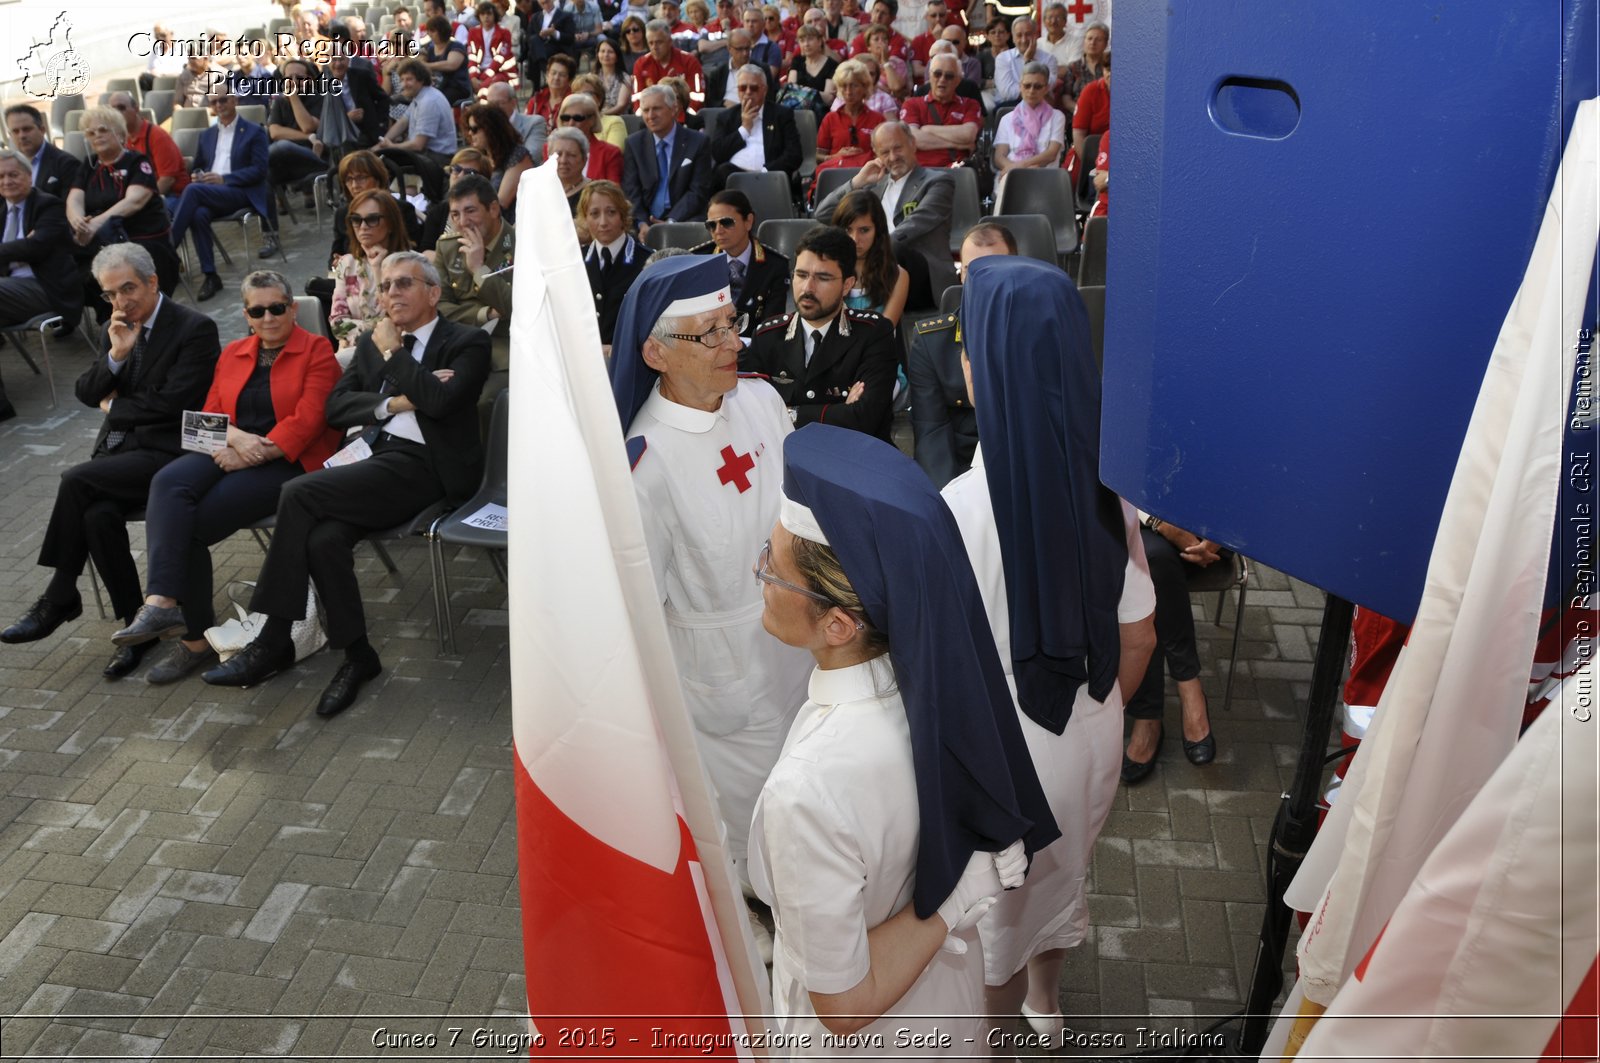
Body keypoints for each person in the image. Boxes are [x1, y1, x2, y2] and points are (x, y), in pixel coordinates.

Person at [751, 422, 1052, 1047]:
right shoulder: (936, 682)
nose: (758, 574)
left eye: (771, 568)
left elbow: (844, 1003)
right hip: (947, 1005)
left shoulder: (805, 791)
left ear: (837, 624)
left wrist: (959, 895)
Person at [941, 255, 1156, 1050]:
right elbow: (1140, 633)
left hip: (1005, 750)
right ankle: (1048, 1007)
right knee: (1063, 883)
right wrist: (1098, 707)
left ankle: (989, 1035)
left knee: (996, 912)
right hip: (1091, 726)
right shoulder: (1108, 484)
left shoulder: (959, 508)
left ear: (988, 368)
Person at [607, 253, 814, 957]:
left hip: (802, 652)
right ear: (655, 352)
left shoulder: (759, 400)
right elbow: (639, 611)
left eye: (733, 323)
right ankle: (752, 930)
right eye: (711, 333)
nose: (734, 343)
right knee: (753, 826)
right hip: (725, 685)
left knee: (810, 812)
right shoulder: (645, 464)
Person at [201, 252, 491, 717]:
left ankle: (272, 640)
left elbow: (440, 403)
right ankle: (358, 656)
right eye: (385, 286)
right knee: (322, 538)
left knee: (297, 492)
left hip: (428, 468)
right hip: (373, 458)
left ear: (433, 293)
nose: (391, 293)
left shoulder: (466, 341)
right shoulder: (375, 344)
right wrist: (395, 402)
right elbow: (336, 407)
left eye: (403, 284)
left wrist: (397, 355)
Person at [0, 244, 217, 679]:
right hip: (125, 452)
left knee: (77, 481)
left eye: (129, 289)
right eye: (110, 293)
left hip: (174, 454)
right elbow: (85, 391)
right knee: (97, 516)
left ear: (153, 282)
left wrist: (115, 406)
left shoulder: (195, 328)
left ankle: (61, 596)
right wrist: (117, 355)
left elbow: (176, 402)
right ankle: (136, 630)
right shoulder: (116, 327)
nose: (121, 301)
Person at [113, 273, 343, 684]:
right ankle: (161, 601)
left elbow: (309, 420)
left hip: (288, 460)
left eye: (277, 307)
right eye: (258, 310)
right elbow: (211, 412)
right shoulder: (234, 352)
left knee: (194, 527)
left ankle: (196, 642)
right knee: (167, 482)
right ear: (246, 316)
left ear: (293, 308)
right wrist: (236, 441)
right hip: (231, 448)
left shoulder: (318, 350)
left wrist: (256, 452)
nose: (268, 317)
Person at [741, 225, 898, 440]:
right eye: (801, 274)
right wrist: (840, 411)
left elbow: (864, 419)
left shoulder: (873, 333)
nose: (808, 288)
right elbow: (751, 417)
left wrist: (786, 412)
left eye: (823, 278)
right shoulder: (768, 336)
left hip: (853, 462)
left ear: (847, 285)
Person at [1121, 510, 1223, 783]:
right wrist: (1160, 523)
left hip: (1212, 525)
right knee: (1150, 560)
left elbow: (1247, 477)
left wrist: (1219, 532)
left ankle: (1148, 716)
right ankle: (1189, 686)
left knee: (1148, 566)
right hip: (1143, 519)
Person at [908, 221, 1012, 488]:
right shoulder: (932, 341)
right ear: (962, 275)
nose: (983, 279)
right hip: (961, 477)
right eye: (972, 270)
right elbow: (931, 433)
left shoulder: (1042, 333)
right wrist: (951, 506)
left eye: (995, 268)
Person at [815, 121, 955, 311]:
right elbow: (823, 214)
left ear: (912, 144)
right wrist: (859, 181)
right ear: (876, 155)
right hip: (873, 265)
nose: (893, 157)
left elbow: (916, 224)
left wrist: (876, 249)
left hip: (920, 273)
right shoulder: (873, 186)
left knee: (893, 247)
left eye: (898, 148)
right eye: (885, 152)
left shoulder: (937, 182)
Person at [67, 107, 181, 312]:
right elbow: (74, 198)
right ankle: (107, 321)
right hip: (102, 240)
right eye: (91, 133)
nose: (97, 136)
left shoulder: (137, 162)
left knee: (112, 268)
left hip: (141, 240)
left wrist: (94, 224)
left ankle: (135, 318)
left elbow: (134, 201)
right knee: (72, 267)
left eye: (103, 130)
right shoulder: (89, 165)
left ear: (120, 134)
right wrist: (78, 222)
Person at [168, 89, 273, 302]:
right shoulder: (206, 134)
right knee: (198, 213)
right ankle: (210, 275)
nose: (218, 105)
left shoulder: (254, 131)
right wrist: (197, 175)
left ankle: (167, 249)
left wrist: (225, 179)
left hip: (241, 192)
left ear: (234, 100)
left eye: (223, 100)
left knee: (192, 191)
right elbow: (198, 166)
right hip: (210, 193)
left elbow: (260, 170)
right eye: (213, 102)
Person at [434, 174, 515, 425]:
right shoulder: (448, 247)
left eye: (470, 211)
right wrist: (484, 314)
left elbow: (516, 306)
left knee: (485, 403)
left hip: (505, 347)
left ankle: (490, 465)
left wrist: (479, 268)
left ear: (493, 208)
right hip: (460, 345)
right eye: (455, 214)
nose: (462, 222)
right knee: (436, 396)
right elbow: (437, 305)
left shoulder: (522, 245)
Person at [0, 149, 87, 342]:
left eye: (13, 175)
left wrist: (26, 246)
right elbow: (25, 247)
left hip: (45, 288)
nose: (6, 181)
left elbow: (35, 248)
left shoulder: (48, 206)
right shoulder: (2, 207)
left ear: (29, 176)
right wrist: (21, 245)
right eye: (1, 176)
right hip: (9, 287)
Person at [687, 189, 790, 333]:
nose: (718, 231)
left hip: (755, 349)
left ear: (748, 221)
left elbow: (772, 328)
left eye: (726, 222)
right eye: (711, 225)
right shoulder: (698, 261)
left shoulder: (775, 265)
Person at [331, 188, 413, 365]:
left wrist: (378, 271)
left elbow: (403, 320)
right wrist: (373, 332)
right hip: (355, 350)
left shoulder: (413, 264)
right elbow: (337, 323)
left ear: (390, 224)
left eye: (372, 219)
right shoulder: (346, 264)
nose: (363, 227)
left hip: (400, 349)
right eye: (356, 220)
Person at [621, 86, 716, 239]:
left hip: (684, 219)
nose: (650, 116)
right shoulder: (634, 143)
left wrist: (671, 222)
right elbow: (631, 190)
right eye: (645, 110)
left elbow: (698, 191)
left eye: (657, 109)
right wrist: (642, 223)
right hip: (644, 220)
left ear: (674, 109)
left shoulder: (698, 142)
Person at [579, 180, 647, 346]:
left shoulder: (646, 261)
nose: (603, 222)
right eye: (594, 214)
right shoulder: (575, 262)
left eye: (611, 212)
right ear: (585, 218)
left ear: (622, 215)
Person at [709, 64, 802, 185]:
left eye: (753, 88)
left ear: (764, 90)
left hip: (769, 177)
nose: (748, 92)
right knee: (721, 171)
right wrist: (744, 129)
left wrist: (765, 171)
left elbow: (794, 154)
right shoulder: (726, 117)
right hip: (732, 176)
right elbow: (718, 153)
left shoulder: (781, 115)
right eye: (743, 88)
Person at [377, 58, 460, 193]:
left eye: (409, 79)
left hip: (437, 158)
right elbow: (403, 122)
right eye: (402, 79)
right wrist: (382, 144)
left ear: (421, 80)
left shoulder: (429, 101)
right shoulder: (420, 96)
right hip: (426, 154)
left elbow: (418, 144)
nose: (404, 84)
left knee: (390, 171)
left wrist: (391, 147)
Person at [829, 189, 908, 324]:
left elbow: (884, 331)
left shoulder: (897, 275)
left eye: (864, 230)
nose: (855, 239)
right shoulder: (827, 272)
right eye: (848, 230)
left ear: (878, 231)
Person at [902, 53, 982, 168]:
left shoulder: (970, 104)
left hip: (956, 170)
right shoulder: (912, 104)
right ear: (930, 76)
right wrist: (957, 144)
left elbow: (968, 135)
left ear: (958, 80)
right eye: (937, 74)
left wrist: (927, 129)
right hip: (920, 171)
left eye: (949, 76)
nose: (942, 79)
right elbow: (913, 139)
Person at [813, 59, 882, 184]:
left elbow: (883, 156)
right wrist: (835, 156)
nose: (848, 92)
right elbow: (817, 157)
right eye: (844, 86)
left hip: (867, 178)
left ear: (865, 87)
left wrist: (864, 157)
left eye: (854, 85)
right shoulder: (830, 119)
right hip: (835, 177)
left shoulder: (878, 120)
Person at [993, 62, 1064, 184]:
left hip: (1045, 175)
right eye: (1027, 85)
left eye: (1037, 86)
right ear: (1020, 86)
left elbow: (1051, 154)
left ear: (1046, 88)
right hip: (1011, 175)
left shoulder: (1057, 116)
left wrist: (1019, 167)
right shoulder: (1007, 119)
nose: (1031, 91)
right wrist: (1015, 170)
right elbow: (999, 156)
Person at [107, 94, 187, 202]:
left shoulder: (157, 136)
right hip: (138, 196)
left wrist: (140, 203)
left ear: (136, 109)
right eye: (112, 110)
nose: (117, 114)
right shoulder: (119, 139)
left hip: (171, 195)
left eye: (121, 108)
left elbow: (167, 180)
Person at [462, 103, 534, 220]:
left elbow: (501, 204)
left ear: (490, 129)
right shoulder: (483, 157)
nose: (470, 133)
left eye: (474, 129)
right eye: (469, 129)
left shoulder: (518, 156)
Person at [3, 105, 82, 202]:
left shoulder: (66, 164)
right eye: (15, 131)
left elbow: (67, 208)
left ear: (42, 130)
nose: (22, 135)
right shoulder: (5, 167)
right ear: (10, 135)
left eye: (27, 129)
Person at [632, 20, 706, 114]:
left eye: (659, 42)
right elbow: (637, 99)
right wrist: (644, 119)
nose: (655, 47)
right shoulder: (641, 64)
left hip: (683, 118)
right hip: (652, 119)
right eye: (651, 43)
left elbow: (697, 96)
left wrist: (686, 119)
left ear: (670, 41)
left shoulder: (689, 61)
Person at [557, 92, 624, 182]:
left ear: (592, 120)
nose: (571, 123)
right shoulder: (549, 149)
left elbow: (612, 192)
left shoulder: (609, 153)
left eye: (578, 118)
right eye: (566, 118)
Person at [994, 16, 1057, 108]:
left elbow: (1048, 86)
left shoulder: (1049, 59)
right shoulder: (1003, 58)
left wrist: (1028, 61)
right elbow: (1007, 93)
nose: (1023, 40)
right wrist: (1036, 90)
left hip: (1040, 106)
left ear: (1035, 36)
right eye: (1019, 35)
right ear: (1013, 39)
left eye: (1028, 34)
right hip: (1010, 106)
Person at [467, 1, 519, 99]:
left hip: (501, 72)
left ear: (494, 15)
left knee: (485, 88)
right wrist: (473, 77)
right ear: (478, 16)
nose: (486, 17)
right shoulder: (473, 32)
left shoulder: (504, 32)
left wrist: (483, 78)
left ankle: (484, 111)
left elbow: (500, 59)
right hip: (479, 71)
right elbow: (472, 56)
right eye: (482, 14)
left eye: (489, 14)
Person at [486, 81, 548, 161]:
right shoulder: (484, 125)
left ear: (513, 103)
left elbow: (532, 156)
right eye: (490, 104)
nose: (493, 108)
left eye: (499, 103)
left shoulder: (534, 123)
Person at [421, 15, 475, 104]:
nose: (429, 34)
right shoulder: (429, 48)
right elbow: (419, 61)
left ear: (442, 31)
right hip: (436, 86)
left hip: (456, 87)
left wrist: (427, 66)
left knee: (436, 100)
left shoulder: (456, 46)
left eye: (433, 31)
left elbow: (451, 65)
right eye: (429, 31)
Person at [524, 0, 576, 91]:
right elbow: (528, 37)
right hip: (540, 47)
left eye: (547, 2)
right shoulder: (535, 17)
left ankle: (537, 86)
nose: (545, 5)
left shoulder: (565, 16)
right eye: (542, 3)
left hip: (558, 47)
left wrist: (554, 33)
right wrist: (541, 36)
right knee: (534, 41)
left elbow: (570, 38)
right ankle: (545, 68)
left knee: (532, 54)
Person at [785, 24, 839, 108]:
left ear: (819, 41)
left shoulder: (832, 65)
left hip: (820, 112)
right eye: (802, 40)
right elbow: (791, 90)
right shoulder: (797, 61)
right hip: (796, 109)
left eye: (810, 39)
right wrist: (815, 94)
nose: (806, 44)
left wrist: (802, 91)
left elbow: (828, 99)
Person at [1071, 50, 1109, 156]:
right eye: (1108, 69)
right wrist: (1090, 164)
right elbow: (1078, 134)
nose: (1111, 74)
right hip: (1091, 155)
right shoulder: (1091, 90)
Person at [1059, 21, 1107, 105]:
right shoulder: (1073, 67)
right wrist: (1079, 112)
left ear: (1106, 44)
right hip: (1078, 112)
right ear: (1084, 41)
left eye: (1098, 40)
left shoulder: (1110, 66)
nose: (1093, 43)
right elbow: (1066, 98)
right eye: (1089, 39)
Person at [548, 127, 592, 212]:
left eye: (571, 155)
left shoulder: (593, 193)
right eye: (558, 154)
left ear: (584, 159)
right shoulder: (539, 190)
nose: (563, 161)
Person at [528, 53, 578, 123]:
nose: (556, 78)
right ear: (547, 75)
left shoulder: (574, 102)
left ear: (569, 80)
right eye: (553, 73)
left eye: (562, 75)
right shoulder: (536, 100)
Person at [593, 38, 636, 115]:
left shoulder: (625, 78)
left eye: (610, 52)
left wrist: (600, 116)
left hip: (618, 118)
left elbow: (621, 105)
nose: (606, 55)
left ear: (617, 56)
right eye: (602, 51)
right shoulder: (592, 77)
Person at [909, 0, 949, 80]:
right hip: (925, 87)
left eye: (941, 15)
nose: (938, 19)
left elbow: (957, 66)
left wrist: (940, 40)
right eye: (933, 15)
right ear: (926, 17)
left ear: (946, 16)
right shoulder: (918, 41)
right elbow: (917, 70)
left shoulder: (954, 37)